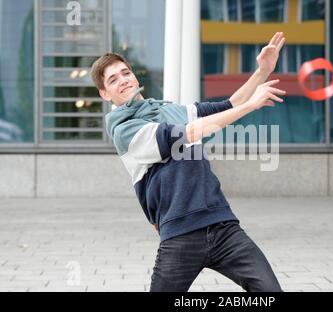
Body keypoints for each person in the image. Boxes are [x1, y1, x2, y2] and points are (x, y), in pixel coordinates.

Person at [90, 32, 286, 292]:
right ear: (105, 94)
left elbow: (228, 105)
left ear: (134, 76)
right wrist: (252, 105)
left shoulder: (170, 109)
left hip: (222, 225)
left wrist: (262, 71)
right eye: (113, 79)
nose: (123, 80)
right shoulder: (125, 131)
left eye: (125, 72)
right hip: (180, 234)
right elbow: (191, 132)